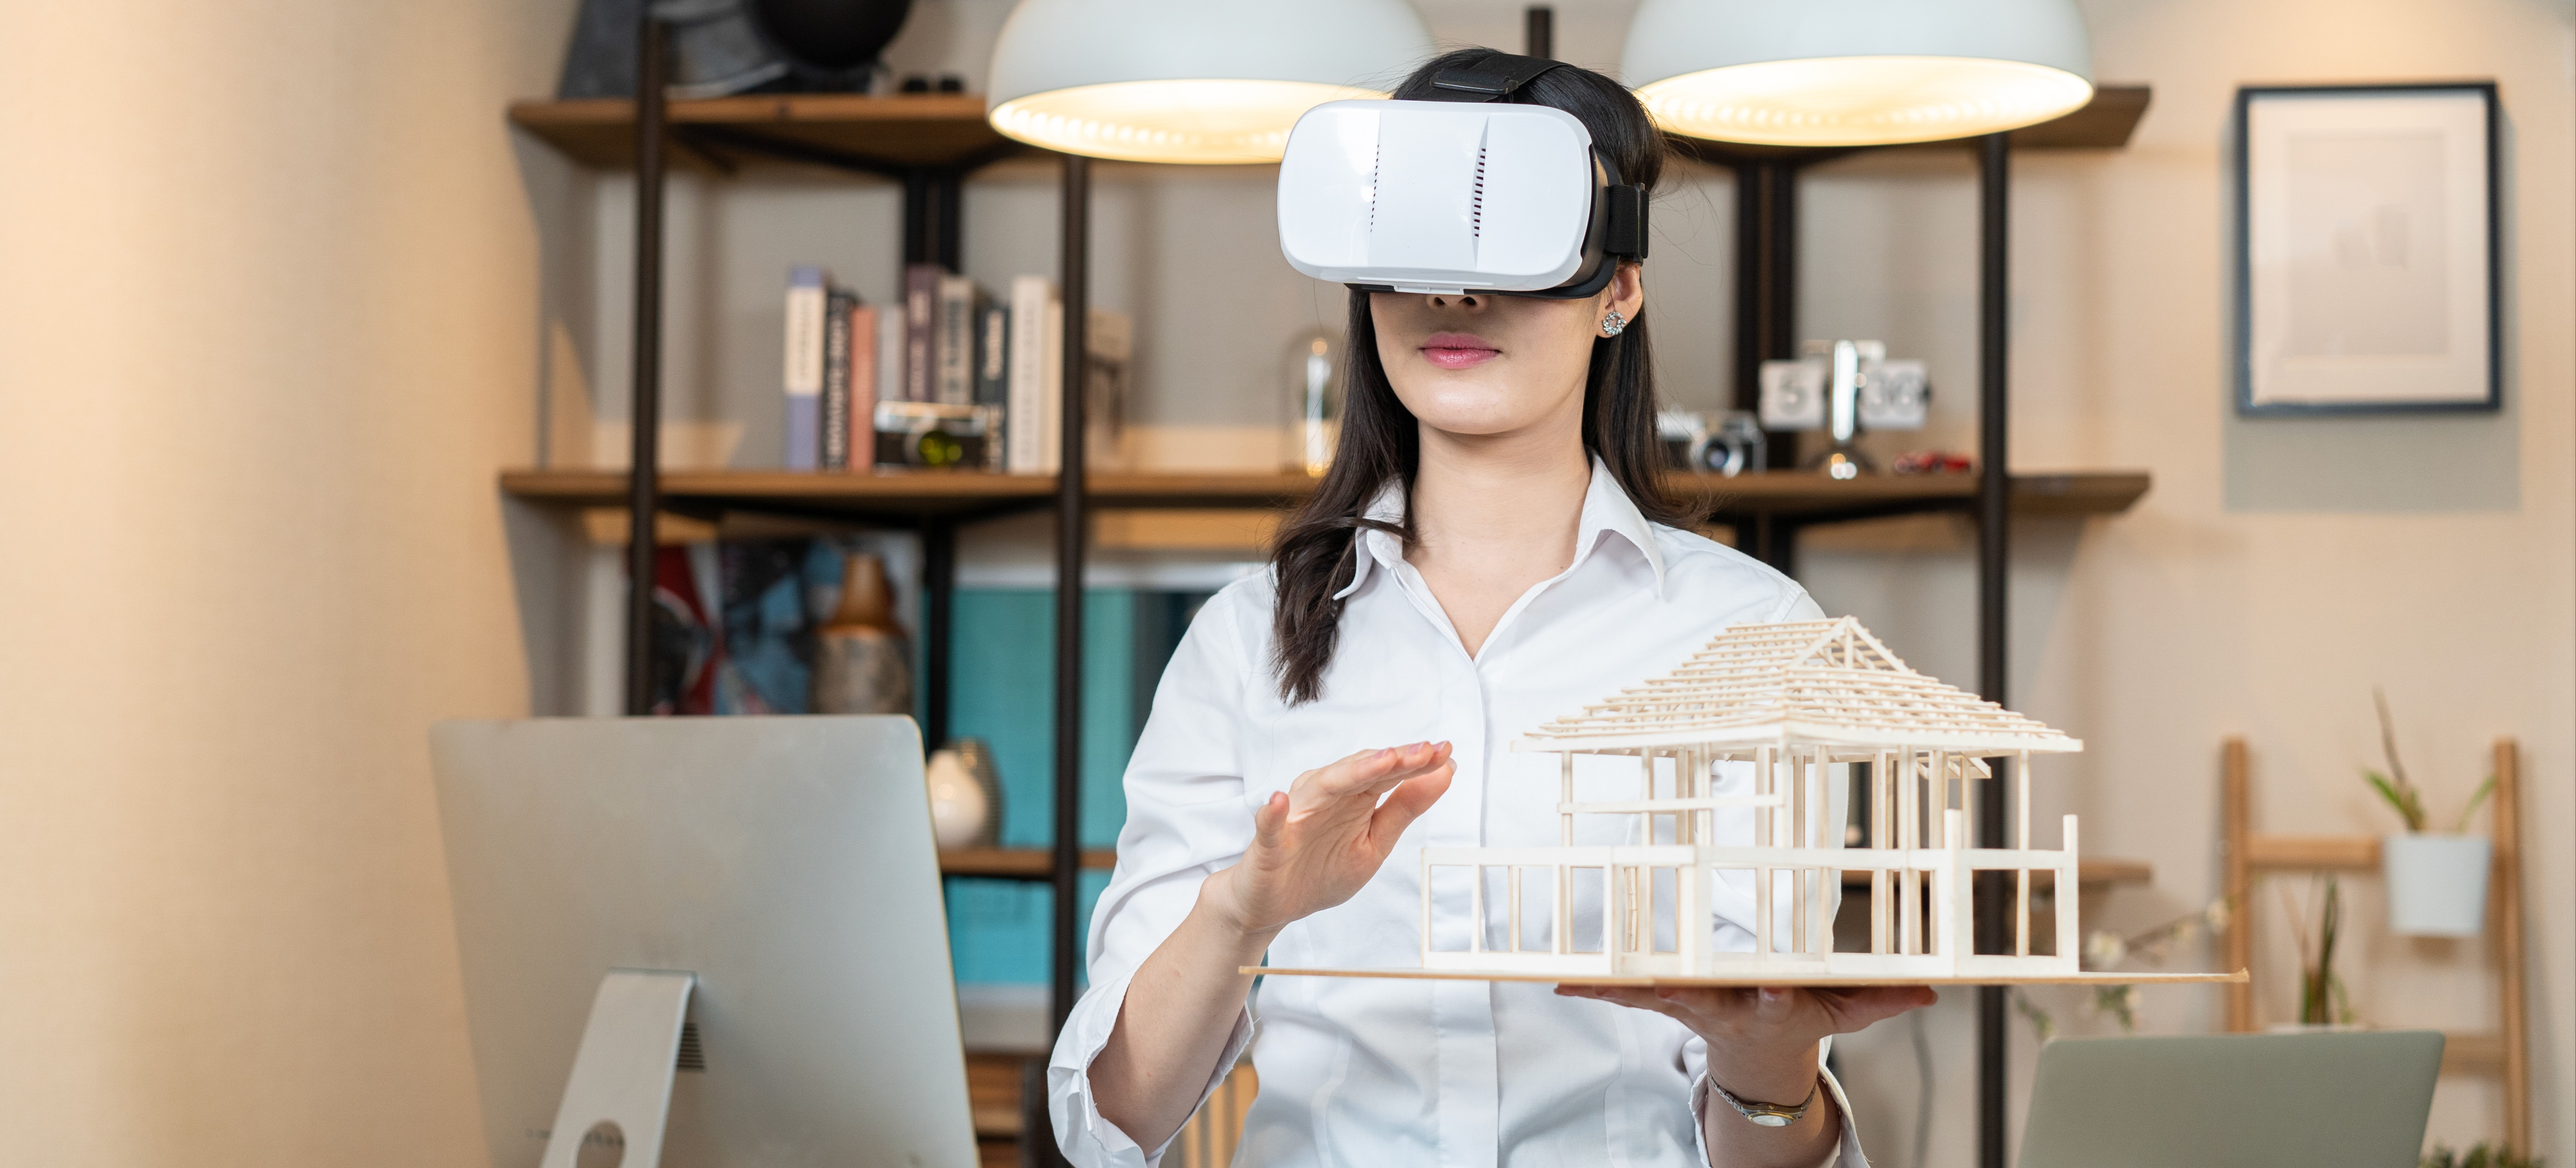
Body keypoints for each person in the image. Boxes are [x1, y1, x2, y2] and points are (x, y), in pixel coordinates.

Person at [1047, 50, 1936, 1168]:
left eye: (1506, 238)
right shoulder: (1246, 640)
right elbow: (1108, 1124)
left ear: (1618, 286)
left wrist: (1766, 1061)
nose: (1454, 293)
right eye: (1419, 241)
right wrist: (1245, 910)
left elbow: (1764, 1130)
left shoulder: (1755, 639)